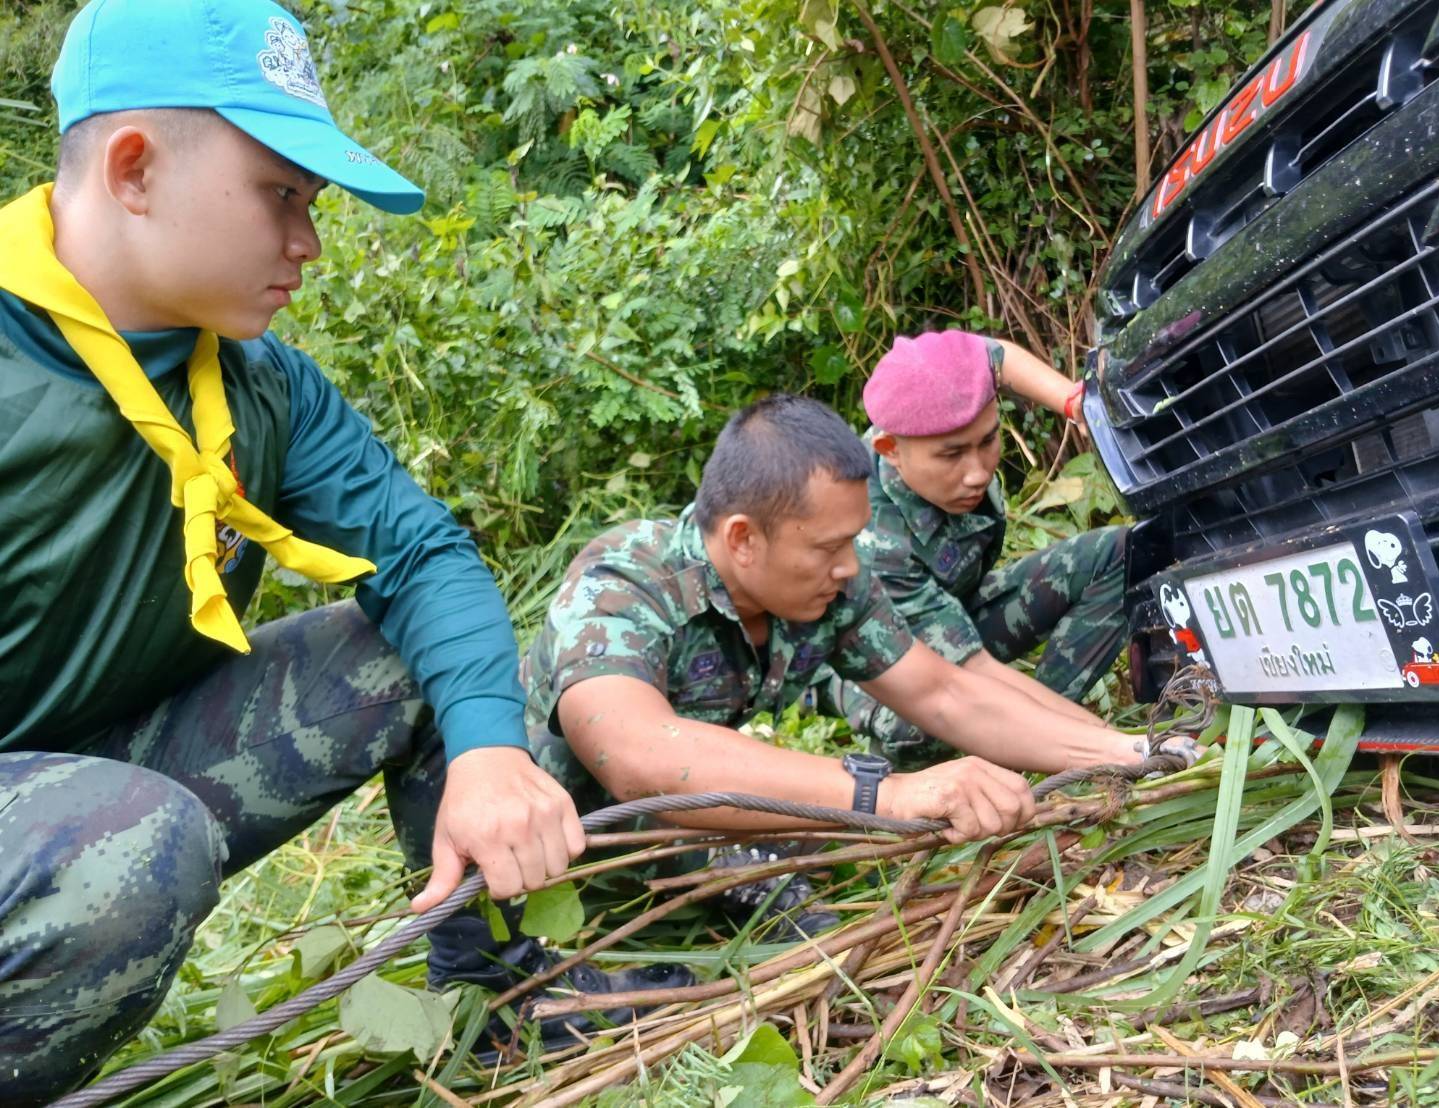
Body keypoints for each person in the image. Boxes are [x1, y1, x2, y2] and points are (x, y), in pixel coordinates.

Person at [0, 1, 637, 1097]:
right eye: (281, 195)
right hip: (64, 829)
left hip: (109, 769)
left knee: (431, 661)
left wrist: (491, 752)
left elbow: (426, 558)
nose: (309, 241)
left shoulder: (260, 389)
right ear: (136, 168)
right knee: (135, 843)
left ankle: (494, 1011)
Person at [517, 394, 1143, 943]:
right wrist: (887, 793)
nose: (849, 566)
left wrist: (1124, 750)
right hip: (562, 860)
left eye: (853, 539)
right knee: (821, 910)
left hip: (689, 820)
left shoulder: (830, 581)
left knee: (835, 865)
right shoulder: (627, 583)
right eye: (826, 547)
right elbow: (637, 756)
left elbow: (944, 693)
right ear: (742, 539)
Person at [825, 329, 1143, 769]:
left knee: (1120, 555)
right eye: (951, 455)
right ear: (890, 450)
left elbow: (995, 358)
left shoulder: (948, 396)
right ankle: (1039, 746)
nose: (977, 473)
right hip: (902, 677)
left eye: (988, 441)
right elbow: (971, 675)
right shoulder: (875, 541)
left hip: (957, 615)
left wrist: (1074, 403)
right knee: (922, 727)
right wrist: (1128, 748)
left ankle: (1044, 742)